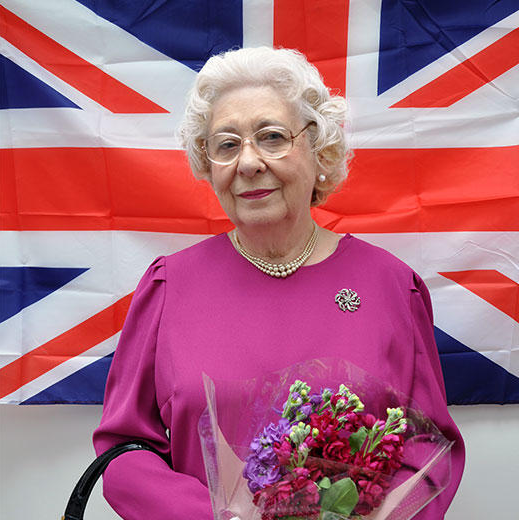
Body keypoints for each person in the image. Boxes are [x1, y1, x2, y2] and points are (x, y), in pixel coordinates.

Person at [93, 46, 464, 519]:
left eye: (271, 137)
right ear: (209, 165)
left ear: (320, 150)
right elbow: (124, 451)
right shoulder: (168, 287)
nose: (248, 163)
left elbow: (430, 451)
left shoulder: (392, 285)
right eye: (227, 145)